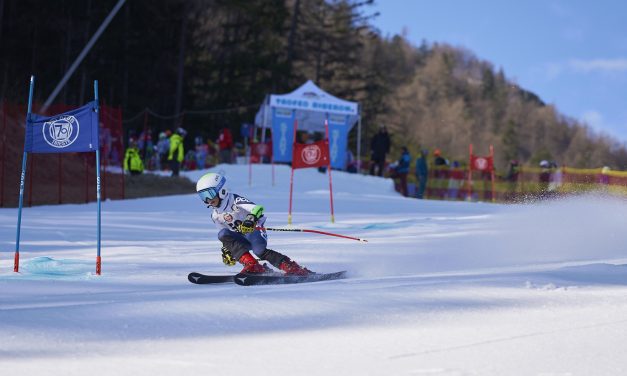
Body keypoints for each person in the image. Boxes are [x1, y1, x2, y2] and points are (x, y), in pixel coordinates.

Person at [195, 172, 311, 275]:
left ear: (221, 190)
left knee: (259, 251)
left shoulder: (234, 200)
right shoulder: (215, 215)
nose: (208, 200)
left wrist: (250, 219)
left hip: (254, 232)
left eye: (209, 194)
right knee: (222, 234)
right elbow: (225, 235)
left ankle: (292, 268)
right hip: (241, 239)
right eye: (203, 196)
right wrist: (227, 249)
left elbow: (258, 209)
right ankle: (253, 265)